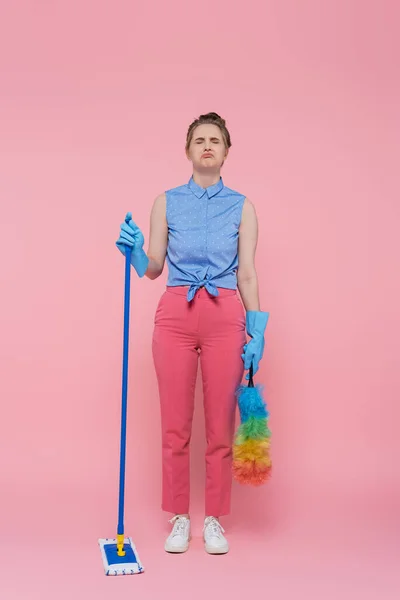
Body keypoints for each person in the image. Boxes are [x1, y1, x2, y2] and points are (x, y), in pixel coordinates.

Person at [116, 112, 269, 555]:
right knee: (174, 426)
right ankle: (180, 516)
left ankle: (215, 519)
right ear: (188, 151)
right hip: (175, 315)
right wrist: (133, 251)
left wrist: (256, 330)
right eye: (199, 140)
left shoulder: (243, 206)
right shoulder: (166, 202)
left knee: (220, 426)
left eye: (215, 140)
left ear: (225, 151)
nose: (207, 146)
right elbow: (153, 269)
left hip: (225, 317)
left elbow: (248, 275)